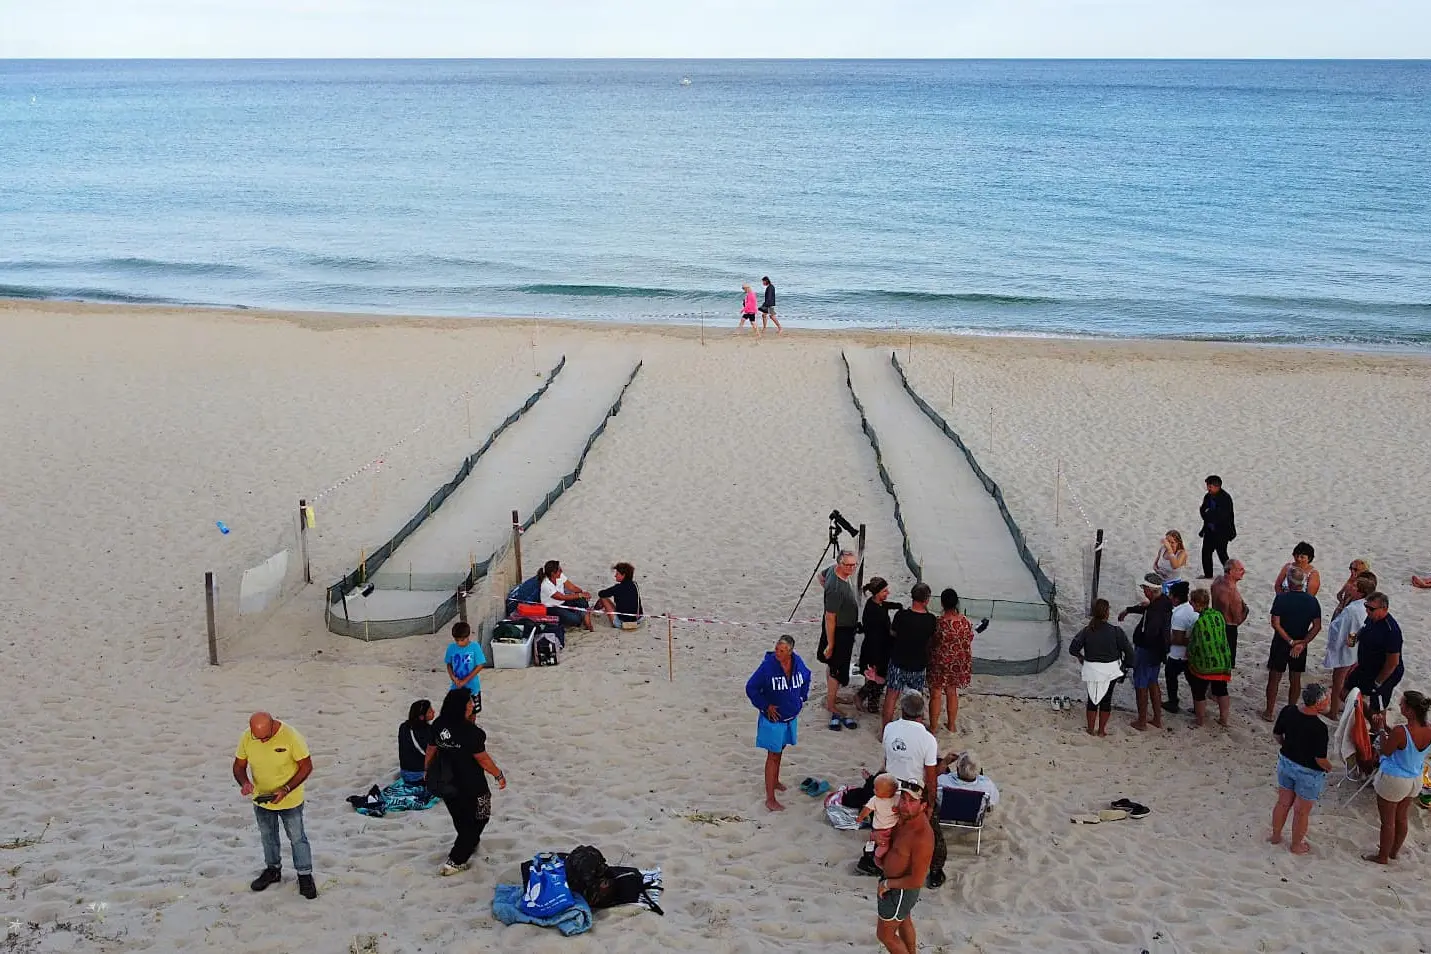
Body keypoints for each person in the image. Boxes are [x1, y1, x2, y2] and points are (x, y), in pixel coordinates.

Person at [232, 712, 317, 898]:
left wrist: (286, 789)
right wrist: (244, 782)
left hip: (290, 799)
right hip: (262, 797)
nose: (261, 741)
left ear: (273, 725)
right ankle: (273, 870)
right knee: (267, 836)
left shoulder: (291, 736)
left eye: (266, 737)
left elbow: (307, 766)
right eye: (257, 737)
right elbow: (238, 766)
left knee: (297, 837)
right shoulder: (247, 736)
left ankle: (305, 876)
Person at [425, 687, 506, 876]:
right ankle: (456, 860)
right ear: (462, 706)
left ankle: (469, 842)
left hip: (446, 780)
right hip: (471, 783)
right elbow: (483, 759)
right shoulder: (472, 733)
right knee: (481, 816)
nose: (472, 705)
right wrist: (499, 775)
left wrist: (427, 770)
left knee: (460, 817)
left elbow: (431, 750)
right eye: (469, 702)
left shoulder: (438, 725)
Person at [878, 692, 947, 889]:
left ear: (902, 710)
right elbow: (931, 776)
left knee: (886, 827)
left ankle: (874, 860)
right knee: (932, 832)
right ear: (922, 713)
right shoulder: (927, 739)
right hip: (914, 791)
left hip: (891, 788)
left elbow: (887, 760)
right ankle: (935, 871)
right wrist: (931, 804)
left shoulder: (889, 729)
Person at [745, 634, 812, 812]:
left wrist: (802, 696)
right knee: (772, 755)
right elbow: (751, 687)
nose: (778, 653)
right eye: (776, 649)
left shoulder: (797, 663)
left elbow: (807, 676)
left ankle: (774, 781)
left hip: (790, 717)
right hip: (773, 720)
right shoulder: (768, 666)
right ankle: (770, 799)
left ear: (790, 652)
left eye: (782, 651)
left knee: (780, 750)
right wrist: (765, 706)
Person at [1364, 691, 1431, 865]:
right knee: (1401, 817)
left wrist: (1380, 731)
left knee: (1387, 822)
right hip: (1415, 779)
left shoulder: (1401, 731)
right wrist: (1387, 731)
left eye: (1402, 704)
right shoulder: (1428, 729)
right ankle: (1394, 852)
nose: (1399, 706)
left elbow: (1386, 750)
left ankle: (1382, 857)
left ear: (1410, 710)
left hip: (1395, 779)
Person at [1269, 684, 1332, 856]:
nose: (1329, 701)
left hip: (1286, 762)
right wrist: (1329, 767)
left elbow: (1277, 735)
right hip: (1308, 772)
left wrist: (1288, 747)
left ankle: (1275, 836)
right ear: (1318, 703)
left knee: (1283, 802)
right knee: (1301, 811)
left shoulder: (1288, 711)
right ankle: (1296, 845)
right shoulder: (1320, 728)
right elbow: (1320, 759)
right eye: (1327, 698)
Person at [875, 785, 935, 954]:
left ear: (923, 806)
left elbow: (917, 880)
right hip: (896, 888)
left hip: (900, 890)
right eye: (903, 798)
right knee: (904, 920)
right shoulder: (901, 819)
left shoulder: (922, 836)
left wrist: (887, 884)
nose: (905, 804)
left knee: (885, 935)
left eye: (912, 801)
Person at [1264, 567, 1322, 722]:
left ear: (1289, 582)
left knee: (1274, 677)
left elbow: (1275, 623)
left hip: (1281, 643)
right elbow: (1317, 626)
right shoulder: (1312, 600)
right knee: (1295, 678)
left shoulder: (1282, 598)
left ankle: (1269, 711)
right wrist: (1302, 643)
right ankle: (1291, 709)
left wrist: (1290, 641)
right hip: (1300, 643)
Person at [1070, 599, 1134, 737]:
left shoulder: (1087, 630)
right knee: (1106, 699)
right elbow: (1130, 653)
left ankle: (1090, 729)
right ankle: (1101, 731)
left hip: (1092, 669)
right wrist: (1124, 666)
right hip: (1110, 670)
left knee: (1093, 699)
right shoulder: (1116, 631)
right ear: (1107, 613)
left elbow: (1073, 648)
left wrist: (1081, 658)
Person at [928, 588, 985, 734]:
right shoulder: (964, 621)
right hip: (957, 663)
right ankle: (951, 725)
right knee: (952, 692)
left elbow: (932, 642)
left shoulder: (939, 623)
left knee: (936, 693)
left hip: (940, 662)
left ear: (942, 603)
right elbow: (968, 639)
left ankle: (933, 727)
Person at [1119, 574, 1170, 731]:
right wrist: (1129, 610)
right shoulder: (1164, 602)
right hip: (1158, 651)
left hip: (1147, 650)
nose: (1143, 592)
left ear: (1150, 590)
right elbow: (1146, 608)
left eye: (1144, 589)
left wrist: (1141, 639)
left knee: (1141, 684)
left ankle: (1141, 721)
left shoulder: (1154, 610)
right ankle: (1156, 719)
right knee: (1153, 682)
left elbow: (1151, 631)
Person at [882, 583, 936, 729]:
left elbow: (893, 633)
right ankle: (913, 729)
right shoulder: (931, 619)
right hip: (918, 664)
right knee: (915, 698)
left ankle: (885, 731)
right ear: (927, 600)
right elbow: (931, 640)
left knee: (892, 695)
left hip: (898, 661)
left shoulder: (901, 615)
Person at [821, 549, 862, 730]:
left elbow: (820, 576)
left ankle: (832, 696)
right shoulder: (836, 588)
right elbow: (830, 617)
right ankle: (831, 704)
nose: (852, 568)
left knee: (833, 664)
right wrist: (831, 643)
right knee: (837, 667)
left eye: (854, 564)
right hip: (839, 630)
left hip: (843, 627)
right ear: (840, 564)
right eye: (848, 565)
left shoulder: (832, 570)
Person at [1324, 575, 1375, 719]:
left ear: (1360, 592)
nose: (1351, 587)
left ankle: (1333, 712)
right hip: (1355, 649)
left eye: (1354, 586)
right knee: (1342, 680)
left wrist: (1349, 642)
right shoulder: (1363, 606)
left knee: (1338, 681)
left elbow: (1349, 629)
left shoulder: (1353, 609)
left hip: (1347, 649)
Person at [1346, 592, 1404, 710]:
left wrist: (1378, 682)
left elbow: (1393, 663)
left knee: (1377, 709)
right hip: (1367, 666)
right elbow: (1364, 629)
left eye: (1371, 608)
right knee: (1345, 691)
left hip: (1384, 674)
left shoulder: (1391, 631)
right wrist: (1354, 638)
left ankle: (1375, 724)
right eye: (1366, 606)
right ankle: (1363, 713)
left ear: (1384, 608)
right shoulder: (1371, 618)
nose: (1367, 611)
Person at [1186, 588, 1232, 728]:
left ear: (1197, 604)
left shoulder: (1200, 623)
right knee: (1221, 690)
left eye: (1192, 602)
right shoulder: (1218, 615)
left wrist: (1189, 655)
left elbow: (1196, 644)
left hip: (1206, 664)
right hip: (1222, 661)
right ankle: (1224, 719)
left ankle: (1199, 720)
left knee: (1199, 691)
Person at [858, 578, 902, 713]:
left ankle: (868, 700)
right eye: (884, 591)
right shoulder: (876, 613)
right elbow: (887, 631)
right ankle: (863, 698)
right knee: (879, 677)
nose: (887, 592)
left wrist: (897, 605)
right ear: (877, 593)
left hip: (877, 646)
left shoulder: (874, 603)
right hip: (876, 649)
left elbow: (885, 605)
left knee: (877, 677)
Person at [1210, 559, 1250, 668]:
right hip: (1228, 628)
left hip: (1214, 622)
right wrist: (1245, 611)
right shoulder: (1233, 593)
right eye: (1240, 569)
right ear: (1231, 572)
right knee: (1226, 664)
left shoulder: (1217, 581)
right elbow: (1237, 621)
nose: (1244, 571)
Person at [1164, 581, 1196, 714]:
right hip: (1191, 655)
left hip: (1177, 655)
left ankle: (1173, 702)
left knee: (1170, 677)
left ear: (1176, 598)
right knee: (1193, 681)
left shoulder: (1178, 615)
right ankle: (1197, 705)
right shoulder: (1191, 609)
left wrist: (1164, 641)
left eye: (1170, 595)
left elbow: (1177, 638)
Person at [856, 773, 900, 867]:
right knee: (881, 845)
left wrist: (898, 809)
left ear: (889, 792)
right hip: (879, 829)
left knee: (889, 844)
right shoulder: (875, 799)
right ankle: (877, 858)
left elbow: (902, 807)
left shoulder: (897, 798)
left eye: (876, 789)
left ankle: (879, 856)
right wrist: (861, 817)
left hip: (893, 828)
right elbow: (867, 809)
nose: (873, 790)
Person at [1197, 475, 1236, 578]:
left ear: (1217, 486)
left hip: (1222, 531)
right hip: (1209, 529)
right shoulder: (1208, 496)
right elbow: (1203, 510)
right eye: (1207, 486)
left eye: (1210, 486)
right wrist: (1207, 514)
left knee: (1222, 554)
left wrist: (1209, 513)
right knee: (1206, 552)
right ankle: (1208, 575)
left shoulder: (1225, 498)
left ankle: (1230, 575)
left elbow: (1222, 515)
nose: (1208, 488)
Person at [538, 559, 593, 631]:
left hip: (563, 602)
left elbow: (572, 587)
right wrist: (580, 595)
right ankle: (576, 615)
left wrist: (583, 593)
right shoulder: (546, 584)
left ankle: (587, 622)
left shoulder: (560, 576)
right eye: (559, 570)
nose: (561, 571)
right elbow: (561, 597)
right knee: (576, 621)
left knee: (582, 601)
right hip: (552, 607)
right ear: (552, 574)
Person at [444, 621, 486, 710]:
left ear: (468, 637)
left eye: (462, 640)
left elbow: (480, 665)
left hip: (472, 686)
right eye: (457, 640)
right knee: (458, 711)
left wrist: (465, 680)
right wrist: (452, 677)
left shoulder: (475, 647)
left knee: (473, 712)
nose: (459, 643)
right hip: (456, 687)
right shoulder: (451, 648)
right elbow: (449, 664)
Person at [936, 751, 1000, 808]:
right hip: (972, 817)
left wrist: (944, 763)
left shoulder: (941, 782)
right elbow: (993, 801)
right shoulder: (988, 787)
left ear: (958, 769)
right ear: (978, 771)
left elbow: (930, 783)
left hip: (948, 814)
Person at [398, 699, 435, 785]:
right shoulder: (428, 731)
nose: (433, 711)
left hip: (405, 772)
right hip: (419, 775)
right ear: (421, 717)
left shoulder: (403, 727)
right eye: (430, 711)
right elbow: (431, 753)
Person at [595, 561, 642, 627]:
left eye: (617, 574)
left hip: (623, 623)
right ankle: (595, 611)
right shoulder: (635, 584)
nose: (615, 576)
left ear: (623, 575)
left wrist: (613, 591)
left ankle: (593, 612)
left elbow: (601, 594)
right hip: (638, 620)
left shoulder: (618, 588)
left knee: (603, 599)